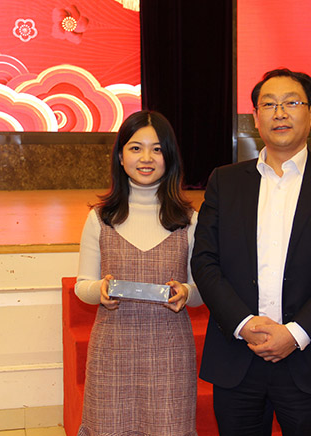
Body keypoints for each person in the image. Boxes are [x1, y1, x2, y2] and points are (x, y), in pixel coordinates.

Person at [191, 68, 311, 436]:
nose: (280, 113)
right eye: (269, 105)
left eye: (292, 103)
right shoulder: (225, 181)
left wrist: (296, 333)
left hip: (310, 357)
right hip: (238, 358)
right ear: (255, 117)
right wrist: (243, 324)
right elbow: (205, 261)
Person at [75, 110, 202, 436]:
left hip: (170, 353)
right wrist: (100, 290)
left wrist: (186, 293)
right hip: (112, 351)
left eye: (157, 149)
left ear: (169, 157)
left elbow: (201, 289)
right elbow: (82, 285)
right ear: (120, 156)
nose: (146, 158)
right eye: (135, 148)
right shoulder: (99, 217)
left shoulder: (189, 219)